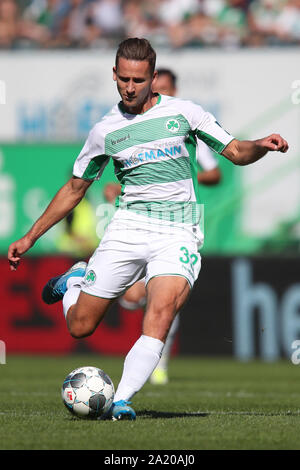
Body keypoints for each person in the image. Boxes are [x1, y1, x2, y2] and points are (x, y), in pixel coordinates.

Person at [8, 37, 288, 421]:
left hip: (178, 230)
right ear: (114, 75)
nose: (130, 87)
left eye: (138, 79)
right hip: (128, 227)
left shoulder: (184, 114)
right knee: (79, 326)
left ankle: (120, 399)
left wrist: (261, 144)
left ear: (153, 77)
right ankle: (75, 281)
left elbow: (236, 152)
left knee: (161, 309)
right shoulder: (105, 132)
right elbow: (75, 188)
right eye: (123, 78)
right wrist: (30, 236)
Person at [120, 66, 222, 386]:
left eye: (164, 89)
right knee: (131, 295)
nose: (157, 94)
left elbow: (214, 173)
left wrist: (183, 174)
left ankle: (159, 362)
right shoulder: (137, 126)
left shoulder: (188, 127)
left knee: (163, 298)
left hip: (179, 220)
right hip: (141, 218)